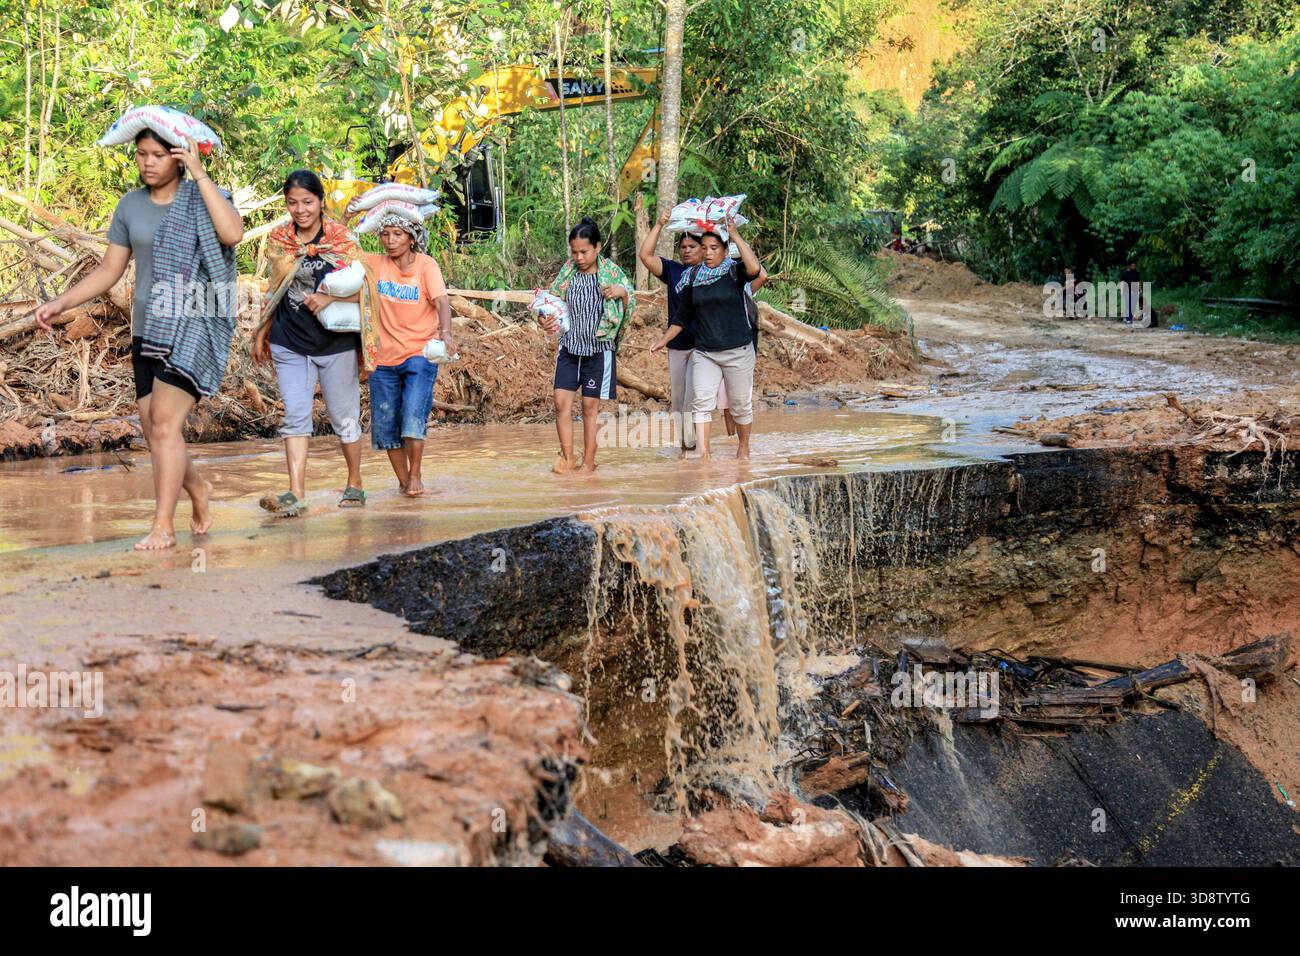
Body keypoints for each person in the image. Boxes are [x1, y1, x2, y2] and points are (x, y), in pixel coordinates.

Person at [35, 127, 243, 549]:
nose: (148, 162)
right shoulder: (129, 206)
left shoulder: (204, 197)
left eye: (158, 155)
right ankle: (198, 489)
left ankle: (163, 525)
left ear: (178, 157)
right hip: (148, 329)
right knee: (154, 431)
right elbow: (110, 270)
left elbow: (233, 234)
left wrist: (201, 176)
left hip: (193, 326)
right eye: (141, 154)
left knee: (166, 426)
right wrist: (61, 302)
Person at [252, 169, 378, 516]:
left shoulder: (341, 238)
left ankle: (354, 482)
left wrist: (329, 300)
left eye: (307, 202)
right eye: (292, 203)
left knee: (344, 419)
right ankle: (296, 492)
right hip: (289, 340)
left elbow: (366, 289)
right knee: (295, 417)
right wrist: (262, 329)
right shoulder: (280, 238)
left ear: (321, 202)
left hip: (334, 344)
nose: (300, 209)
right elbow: (273, 288)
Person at [638, 210, 768, 453]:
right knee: (698, 403)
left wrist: (735, 235)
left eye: (711, 248)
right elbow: (682, 315)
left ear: (722, 250)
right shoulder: (691, 276)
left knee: (737, 403)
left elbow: (756, 270)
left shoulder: (733, 272)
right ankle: (701, 454)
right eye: (703, 248)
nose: (705, 252)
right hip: (702, 350)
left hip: (734, 348)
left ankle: (742, 447)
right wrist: (663, 340)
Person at [361, 213, 455, 497]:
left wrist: (447, 332)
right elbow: (343, 249)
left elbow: (442, 301)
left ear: (412, 238)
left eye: (397, 234)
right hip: (382, 358)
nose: (390, 240)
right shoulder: (375, 263)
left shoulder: (426, 266)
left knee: (413, 414)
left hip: (419, 353)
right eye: (385, 234)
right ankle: (403, 483)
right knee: (386, 424)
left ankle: (415, 475)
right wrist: (349, 214)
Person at [539, 217, 635, 474]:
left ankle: (589, 463)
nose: (579, 257)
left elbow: (631, 303)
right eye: (574, 252)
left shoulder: (611, 274)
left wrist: (621, 292)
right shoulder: (567, 272)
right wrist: (544, 320)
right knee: (561, 403)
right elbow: (549, 304)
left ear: (597, 248)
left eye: (584, 251)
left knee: (590, 409)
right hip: (570, 348)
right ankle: (569, 457)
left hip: (598, 351)